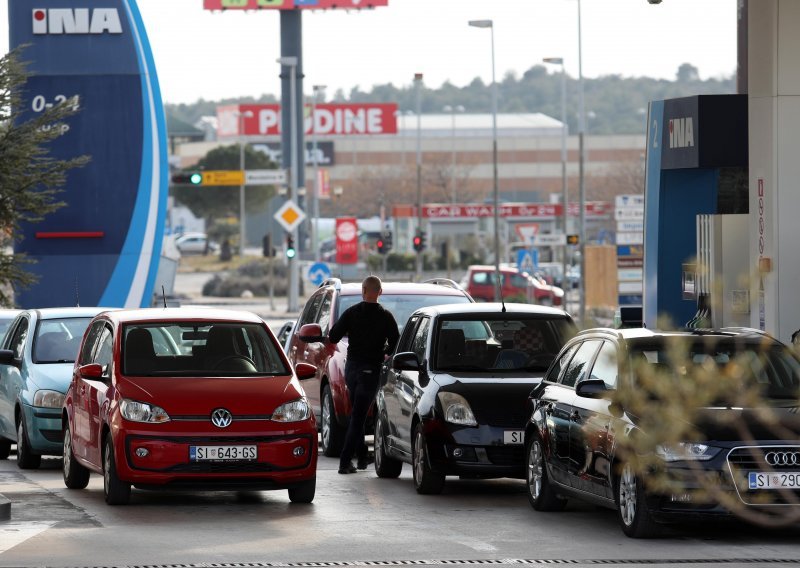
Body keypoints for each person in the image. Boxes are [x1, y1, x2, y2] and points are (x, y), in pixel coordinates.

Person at [328, 275, 399, 474]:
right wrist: (384, 350)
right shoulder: (385, 316)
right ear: (380, 292)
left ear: (363, 290)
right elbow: (395, 342)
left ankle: (361, 458)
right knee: (359, 416)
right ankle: (344, 462)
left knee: (356, 412)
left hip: (351, 369)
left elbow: (333, 336)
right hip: (370, 371)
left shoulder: (351, 313)